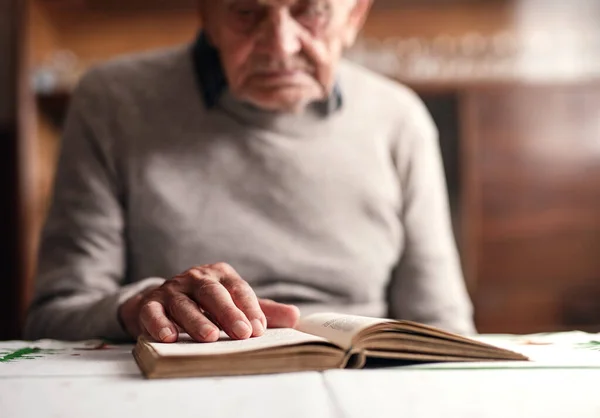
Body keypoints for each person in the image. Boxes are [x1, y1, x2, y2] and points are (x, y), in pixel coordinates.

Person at [24, 0, 476, 343]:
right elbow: (54, 316)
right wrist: (139, 305)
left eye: (310, 11)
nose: (281, 44)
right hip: (182, 384)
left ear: (354, 15)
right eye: (246, 12)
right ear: (207, 14)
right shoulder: (112, 103)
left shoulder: (399, 118)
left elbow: (442, 325)